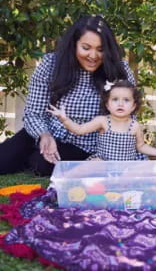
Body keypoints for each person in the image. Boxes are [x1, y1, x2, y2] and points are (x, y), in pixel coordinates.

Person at [0, 15, 138, 176]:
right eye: (86, 48)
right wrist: (43, 135)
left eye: (100, 50)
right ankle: (33, 152)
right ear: (74, 44)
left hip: (84, 142)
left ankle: (34, 158)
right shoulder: (51, 64)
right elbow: (34, 113)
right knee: (3, 160)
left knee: (42, 164)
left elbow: (127, 119)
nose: (93, 56)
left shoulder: (119, 71)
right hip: (47, 130)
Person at [48, 80, 156, 160]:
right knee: (93, 164)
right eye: (115, 99)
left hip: (125, 167)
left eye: (126, 100)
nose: (120, 104)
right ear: (107, 104)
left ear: (134, 106)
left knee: (143, 169)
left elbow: (141, 146)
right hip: (103, 164)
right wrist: (64, 119)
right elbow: (80, 129)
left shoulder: (134, 126)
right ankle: (71, 181)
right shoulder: (103, 121)